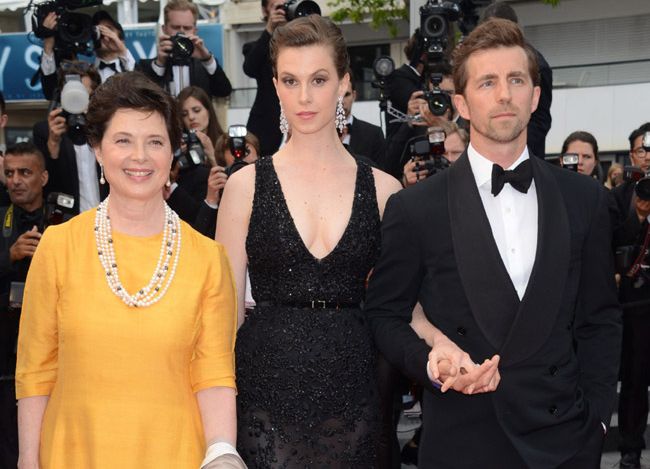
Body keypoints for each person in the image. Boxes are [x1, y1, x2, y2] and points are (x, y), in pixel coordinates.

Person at [365, 18, 621, 469]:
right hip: (463, 441)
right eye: (488, 82)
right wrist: (429, 362)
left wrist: (598, 421)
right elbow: (385, 313)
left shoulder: (586, 200)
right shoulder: (416, 209)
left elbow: (599, 320)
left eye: (515, 80)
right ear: (461, 103)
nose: (504, 94)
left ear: (535, 96)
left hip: (566, 443)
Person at [15, 72, 242, 468]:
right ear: (98, 150)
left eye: (155, 142)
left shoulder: (208, 259)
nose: (140, 157)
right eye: (123, 140)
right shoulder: (57, 247)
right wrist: (28, 461)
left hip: (177, 454)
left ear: (172, 152)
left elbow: (214, 375)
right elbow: (36, 373)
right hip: (73, 453)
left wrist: (223, 451)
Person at [216, 15, 403, 466]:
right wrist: (218, 440)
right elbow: (221, 319)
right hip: (264, 389)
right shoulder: (244, 187)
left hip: (356, 387)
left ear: (343, 83)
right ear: (275, 86)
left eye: (318, 80)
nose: (304, 97)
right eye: (290, 80)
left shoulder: (383, 190)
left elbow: (402, 308)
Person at [0, 143, 48, 469]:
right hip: (4, 356)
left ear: (43, 177)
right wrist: (9, 256)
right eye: (9, 173)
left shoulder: (65, 219)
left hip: (50, 359)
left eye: (25, 173)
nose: (16, 180)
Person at [609, 122, 650, 469]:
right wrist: (638, 216)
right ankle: (630, 450)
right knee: (634, 381)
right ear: (632, 155)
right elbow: (611, 243)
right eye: (643, 150)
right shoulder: (621, 195)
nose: (649, 156)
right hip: (635, 302)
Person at [33, 61, 108, 214]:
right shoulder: (45, 131)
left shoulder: (106, 129)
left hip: (108, 219)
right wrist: (53, 144)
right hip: (68, 222)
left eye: (82, 95)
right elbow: (45, 188)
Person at [482, 1, 553, 158]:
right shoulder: (478, 63)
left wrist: (511, 146)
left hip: (523, 156)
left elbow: (540, 121)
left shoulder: (536, 64)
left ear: (514, 28)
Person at [136, 0, 232, 99]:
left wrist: (207, 59)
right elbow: (143, 98)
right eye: (175, 27)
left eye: (187, 28)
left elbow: (224, 92)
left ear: (195, 31)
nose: (181, 32)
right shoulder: (146, 66)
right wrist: (160, 64)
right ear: (164, 29)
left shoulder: (205, 67)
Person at [38, 10, 135, 100]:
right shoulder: (83, 73)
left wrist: (122, 50)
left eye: (108, 29)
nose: (103, 35)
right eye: (97, 30)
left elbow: (138, 87)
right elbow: (51, 93)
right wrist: (48, 45)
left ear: (120, 39)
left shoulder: (135, 67)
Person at [242, 0, 285, 157]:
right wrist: (269, 29)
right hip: (265, 126)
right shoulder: (254, 47)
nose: (282, 10)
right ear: (265, 10)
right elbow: (250, 68)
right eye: (277, 6)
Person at [402, 121, 468, 187]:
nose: (449, 158)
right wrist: (408, 185)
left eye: (456, 152)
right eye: (443, 153)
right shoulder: (423, 174)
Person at [340, 71, 386, 165]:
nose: (341, 101)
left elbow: (383, 174)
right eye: (336, 95)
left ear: (354, 95)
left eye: (346, 95)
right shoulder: (315, 135)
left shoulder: (373, 135)